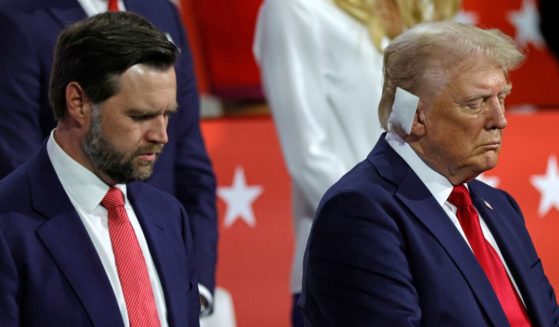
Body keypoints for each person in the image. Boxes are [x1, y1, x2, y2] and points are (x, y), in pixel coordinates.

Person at [301, 20, 559, 326]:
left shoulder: (500, 207)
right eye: (475, 103)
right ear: (415, 117)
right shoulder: (359, 213)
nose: (499, 120)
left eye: (501, 98)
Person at [0, 0, 217, 315]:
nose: (161, 135)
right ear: (78, 102)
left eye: (167, 115)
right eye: (140, 116)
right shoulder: (10, 232)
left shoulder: (170, 218)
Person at [253, 0, 458, 325]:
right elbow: (309, 155)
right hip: (351, 261)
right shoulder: (295, 9)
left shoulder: (423, 10)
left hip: (435, 258)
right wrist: (396, 225)